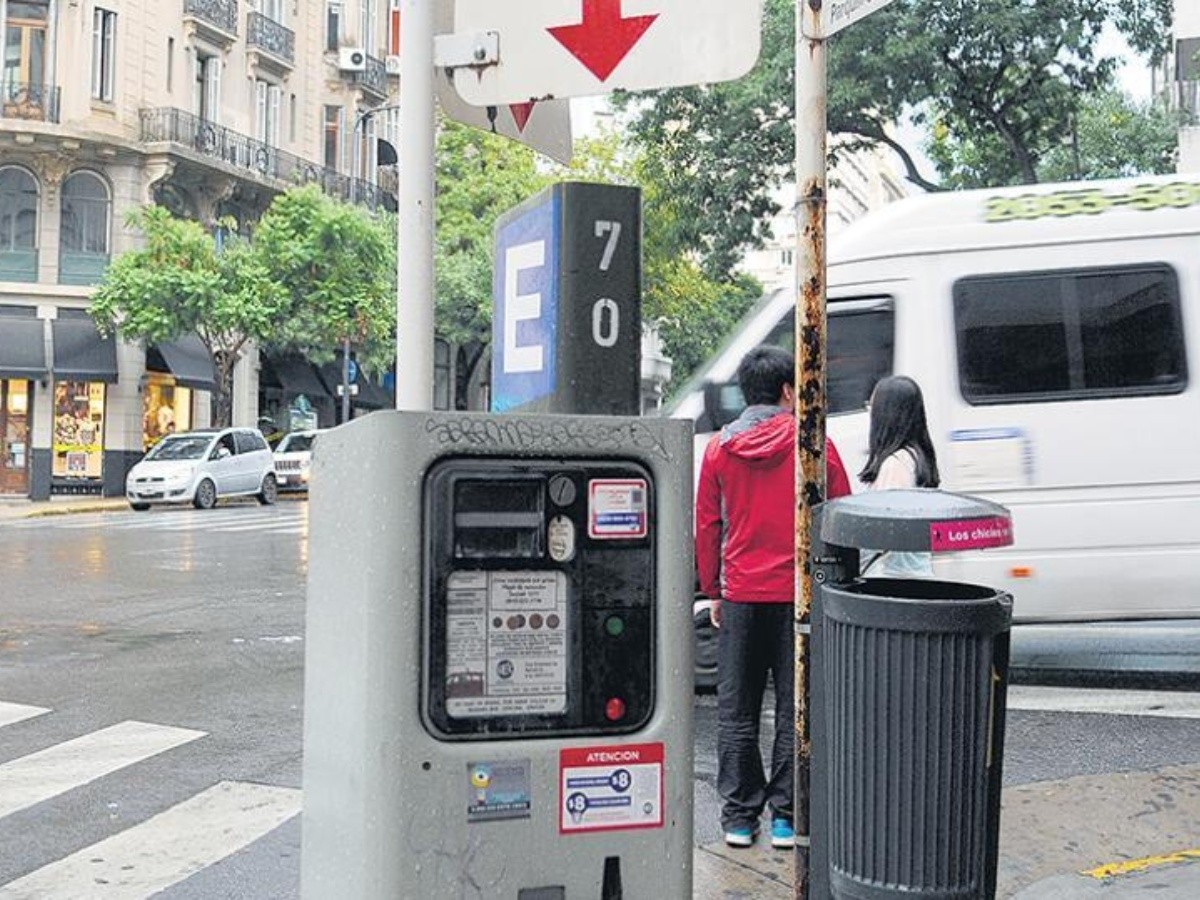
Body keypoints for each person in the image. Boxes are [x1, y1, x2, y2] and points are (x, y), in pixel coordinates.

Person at [695, 345, 852, 850]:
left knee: (736, 711)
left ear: (747, 391)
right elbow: (842, 512)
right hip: (798, 598)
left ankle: (739, 818)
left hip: (740, 594)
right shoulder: (813, 443)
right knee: (793, 707)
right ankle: (787, 816)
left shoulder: (719, 449)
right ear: (789, 390)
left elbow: (707, 526)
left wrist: (713, 591)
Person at [858, 375, 940, 577]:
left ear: (886, 414)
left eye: (872, 407)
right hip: (913, 576)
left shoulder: (896, 465)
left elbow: (884, 529)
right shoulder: (915, 457)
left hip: (892, 579)